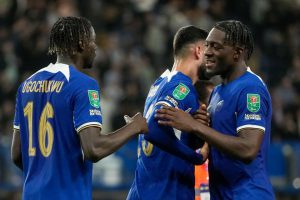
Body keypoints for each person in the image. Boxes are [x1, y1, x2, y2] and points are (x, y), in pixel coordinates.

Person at [11, 16, 148, 200]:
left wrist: (44, 173)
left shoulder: (26, 85)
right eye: (93, 41)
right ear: (82, 44)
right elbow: (94, 149)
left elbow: (17, 154)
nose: (96, 47)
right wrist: (135, 127)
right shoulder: (82, 84)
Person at [156, 20, 275, 200]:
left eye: (216, 47)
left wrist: (196, 127)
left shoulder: (251, 89)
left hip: (248, 194)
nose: (208, 53)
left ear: (237, 53)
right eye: (207, 46)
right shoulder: (217, 91)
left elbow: (248, 149)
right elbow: (214, 140)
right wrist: (197, 127)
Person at [126, 25, 209, 200]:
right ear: (199, 51)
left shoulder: (160, 83)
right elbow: (153, 129)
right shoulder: (182, 87)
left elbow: (168, 136)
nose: (211, 59)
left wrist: (195, 133)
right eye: (208, 52)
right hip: (166, 192)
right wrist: (196, 157)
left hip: (144, 190)